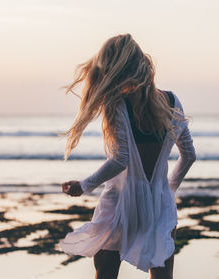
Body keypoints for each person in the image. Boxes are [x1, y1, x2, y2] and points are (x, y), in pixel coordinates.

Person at [59, 33, 196, 279]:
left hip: (120, 204)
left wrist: (85, 185)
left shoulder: (117, 105)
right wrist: (167, 190)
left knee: (106, 271)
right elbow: (189, 156)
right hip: (160, 205)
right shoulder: (172, 101)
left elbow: (121, 159)